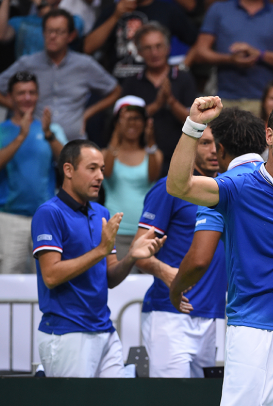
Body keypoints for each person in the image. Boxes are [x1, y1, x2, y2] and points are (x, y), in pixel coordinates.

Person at [167, 96, 273, 405]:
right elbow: (178, 186)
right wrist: (194, 125)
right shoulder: (238, 186)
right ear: (269, 136)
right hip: (252, 334)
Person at [31, 139, 165, 378]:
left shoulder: (101, 213)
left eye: (102, 169)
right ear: (68, 170)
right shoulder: (49, 213)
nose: (101, 176)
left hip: (104, 329)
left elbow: (110, 277)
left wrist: (132, 255)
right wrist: (100, 251)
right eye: (92, 168)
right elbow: (50, 276)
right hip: (66, 332)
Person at [133, 110, 236, 378]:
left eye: (218, 143)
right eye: (204, 142)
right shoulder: (169, 188)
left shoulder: (227, 190)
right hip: (169, 315)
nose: (213, 150)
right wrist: (167, 273)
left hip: (212, 315)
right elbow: (139, 252)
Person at [0, 9, 121, 141]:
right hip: (36, 142)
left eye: (59, 32)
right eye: (49, 31)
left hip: (72, 143)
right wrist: (19, 108)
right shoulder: (28, 63)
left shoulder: (84, 64)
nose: (52, 36)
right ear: (43, 33)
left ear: (71, 36)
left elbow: (115, 91)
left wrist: (87, 114)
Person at [0, 71, 66, 274]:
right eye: (21, 93)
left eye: (32, 92)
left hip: (45, 217)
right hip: (9, 218)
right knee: (5, 284)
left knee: (50, 281)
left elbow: (69, 164)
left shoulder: (50, 129)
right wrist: (21, 135)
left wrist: (49, 134)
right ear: (9, 97)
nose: (27, 98)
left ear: (38, 95)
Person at [192, 0, 273, 116]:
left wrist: (259, 54)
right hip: (224, 98)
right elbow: (200, 52)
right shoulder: (218, 10)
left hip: (264, 102)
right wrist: (229, 59)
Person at [121, 22, 197, 178]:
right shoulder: (132, 82)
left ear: (168, 48)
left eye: (158, 46)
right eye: (147, 48)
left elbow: (195, 122)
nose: (154, 53)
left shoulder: (183, 78)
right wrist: (156, 105)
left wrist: (171, 101)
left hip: (180, 159)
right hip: (141, 162)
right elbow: (124, 122)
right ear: (139, 52)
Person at [103, 96, 162, 265]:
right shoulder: (104, 154)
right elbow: (106, 172)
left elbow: (153, 176)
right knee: (118, 284)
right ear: (116, 122)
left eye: (137, 119)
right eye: (126, 119)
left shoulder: (154, 154)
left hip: (145, 232)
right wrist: (116, 133)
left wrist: (151, 141)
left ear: (145, 123)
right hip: (115, 233)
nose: (132, 123)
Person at [83, 0, 198, 81]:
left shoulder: (167, 10)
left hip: (157, 84)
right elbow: (88, 48)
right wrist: (115, 16)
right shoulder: (113, 11)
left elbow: (198, 42)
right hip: (120, 85)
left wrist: (182, 68)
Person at [0, 0, 85, 59]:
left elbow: (72, 33)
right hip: (27, 81)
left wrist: (41, 3)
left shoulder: (74, 20)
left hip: (59, 77)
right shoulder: (21, 21)